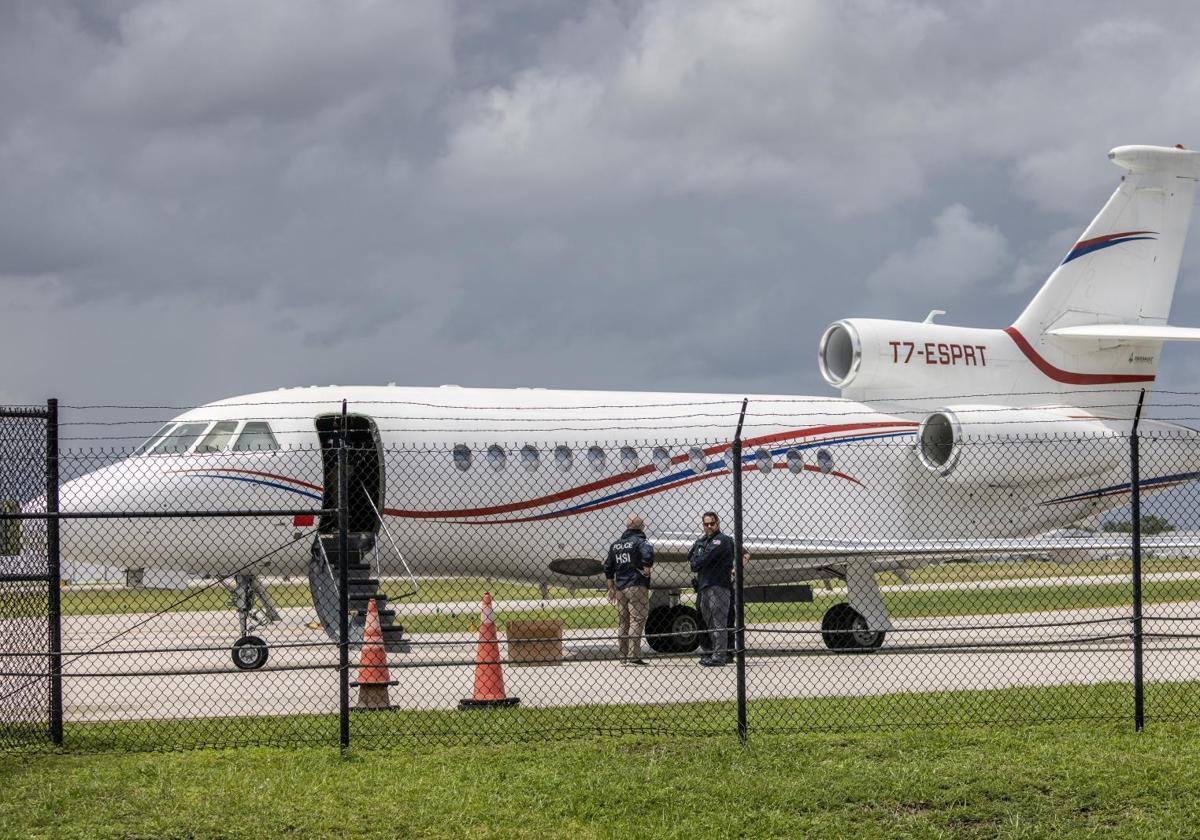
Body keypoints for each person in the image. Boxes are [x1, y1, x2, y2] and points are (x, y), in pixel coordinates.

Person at [605, 514, 655, 665]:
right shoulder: (641, 542)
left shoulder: (616, 545)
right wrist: (646, 569)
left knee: (623, 622)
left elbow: (608, 567)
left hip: (620, 586)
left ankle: (623, 656)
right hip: (636, 584)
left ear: (627, 527)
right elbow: (648, 555)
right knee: (637, 619)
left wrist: (611, 587)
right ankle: (634, 656)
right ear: (642, 527)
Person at [688, 511, 734, 667]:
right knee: (709, 621)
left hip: (718, 585)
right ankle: (716, 652)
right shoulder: (702, 541)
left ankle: (720, 655)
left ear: (718, 524)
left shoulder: (722, 541)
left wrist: (699, 559)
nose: (709, 526)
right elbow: (692, 560)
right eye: (706, 524)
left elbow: (703, 558)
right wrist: (698, 559)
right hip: (704, 585)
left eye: (712, 523)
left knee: (719, 621)